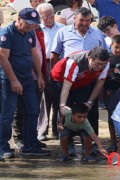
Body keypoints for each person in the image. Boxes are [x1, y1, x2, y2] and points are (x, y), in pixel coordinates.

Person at [0, 8, 49, 158]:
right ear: (19, 19)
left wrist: (40, 76)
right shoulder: (6, 33)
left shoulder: (30, 32)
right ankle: (2, 147)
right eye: (28, 23)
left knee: (33, 111)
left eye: (33, 24)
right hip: (9, 80)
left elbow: (34, 54)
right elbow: (3, 58)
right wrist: (14, 81)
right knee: (7, 115)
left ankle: (29, 145)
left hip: (27, 79)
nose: (31, 26)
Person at [50, 47, 109, 155]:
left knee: (86, 110)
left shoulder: (106, 63)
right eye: (97, 63)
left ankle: (88, 145)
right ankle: (67, 146)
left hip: (83, 82)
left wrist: (90, 101)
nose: (100, 67)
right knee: (66, 111)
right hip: (60, 81)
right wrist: (63, 105)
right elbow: (67, 86)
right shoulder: (74, 62)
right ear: (89, 58)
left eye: (103, 64)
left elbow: (100, 83)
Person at [37, 3, 65, 139]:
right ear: (40, 16)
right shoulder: (37, 29)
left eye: (52, 14)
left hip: (60, 63)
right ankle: (42, 131)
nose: (49, 18)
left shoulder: (62, 28)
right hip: (44, 64)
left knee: (59, 97)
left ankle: (57, 129)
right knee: (44, 98)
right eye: (46, 15)